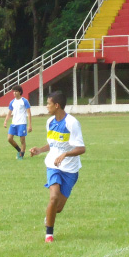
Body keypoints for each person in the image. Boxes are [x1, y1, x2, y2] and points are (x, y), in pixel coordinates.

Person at [29, 91, 85, 243]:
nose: (46, 106)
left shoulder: (72, 123)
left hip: (70, 170)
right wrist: (39, 150)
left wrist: (65, 155)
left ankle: (50, 216)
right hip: (53, 166)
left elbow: (81, 148)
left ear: (57, 105)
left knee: (58, 208)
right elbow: (53, 144)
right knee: (53, 198)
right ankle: (49, 235)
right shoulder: (49, 122)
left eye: (48, 103)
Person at [3, 85, 32, 160]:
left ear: (20, 92)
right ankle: (20, 151)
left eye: (16, 91)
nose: (14, 93)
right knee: (9, 139)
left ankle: (21, 155)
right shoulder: (12, 102)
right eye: (13, 91)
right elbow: (9, 113)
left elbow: (29, 113)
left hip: (22, 123)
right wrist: (5, 121)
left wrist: (29, 125)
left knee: (22, 140)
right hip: (14, 123)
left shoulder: (24, 101)